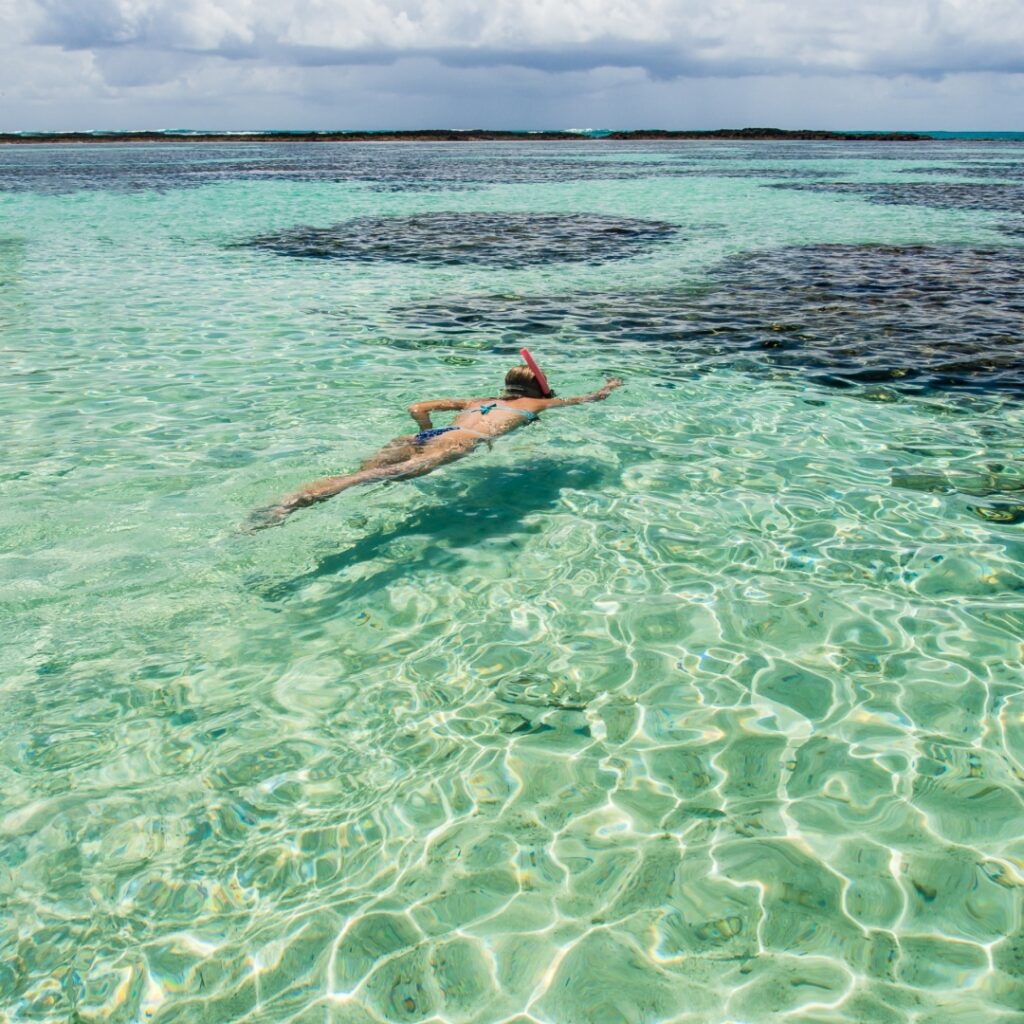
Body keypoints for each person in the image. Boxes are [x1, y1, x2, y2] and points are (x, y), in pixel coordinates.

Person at [249, 365, 623, 529]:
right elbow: (589, 399)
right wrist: (609, 387)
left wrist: (428, 432)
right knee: (374, 478)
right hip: (461, 442)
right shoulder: (538, 404)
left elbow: (417, 407)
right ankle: (295, 504)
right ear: (538, 389)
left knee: (365, 472)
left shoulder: (474, 400)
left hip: (428, 435)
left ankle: (294, 497)